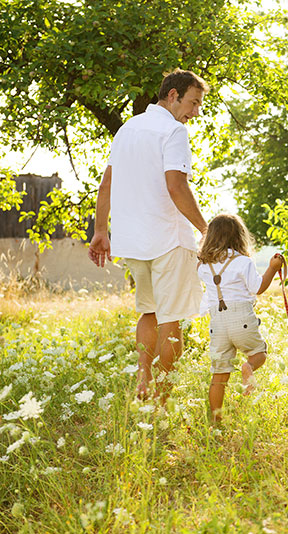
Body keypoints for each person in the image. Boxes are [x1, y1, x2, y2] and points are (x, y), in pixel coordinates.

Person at [88, 69, 210, 401]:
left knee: (149, 312)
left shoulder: (127, 129)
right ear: (173, 95)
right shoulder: (173, 131)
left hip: (133, 241)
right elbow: (176, 186)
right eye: (194, 102)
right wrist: (206, 229)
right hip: (168, 240)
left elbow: (107, 184)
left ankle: (143, 382)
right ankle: (162, 400)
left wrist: (101, 231)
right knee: (171, 318)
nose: (196, 112)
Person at [197, 214, 284, 423]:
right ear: (239, 237)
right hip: (242, 319)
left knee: (219, 375)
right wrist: (272, 268)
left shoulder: (203, 267)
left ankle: (215, 422)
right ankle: (249, 367)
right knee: (259, 353)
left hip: (217, 324)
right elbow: (258, 288)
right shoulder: (243, 262)